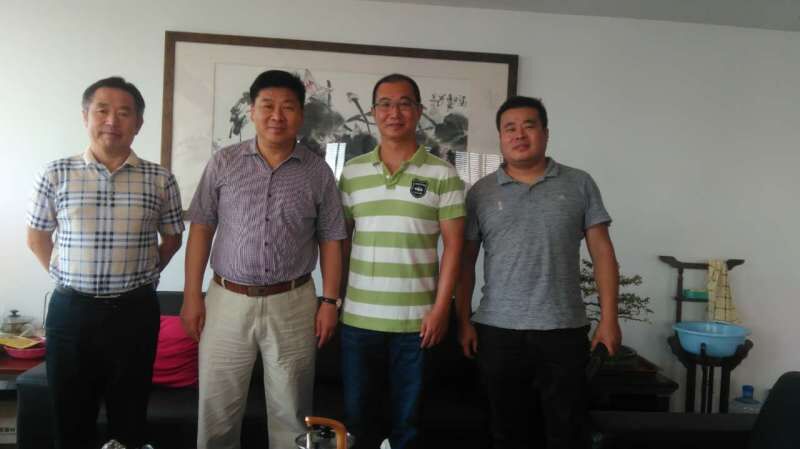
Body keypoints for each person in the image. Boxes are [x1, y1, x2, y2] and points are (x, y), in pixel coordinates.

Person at [181, 69, 346, 449]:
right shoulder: (224, 163)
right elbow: (202, 227)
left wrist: (330, 301)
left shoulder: (318, 172)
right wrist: (191, 296)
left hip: (293, 302)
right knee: (217, 410)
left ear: (300, 115)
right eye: (267, 106)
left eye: (288, 107)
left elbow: (331, 238)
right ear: (252, 111)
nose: (277, 116)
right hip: (226, 300)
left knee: (292, 412)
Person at [26, 76, 184, 449]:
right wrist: (69, 278)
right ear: (86, 116)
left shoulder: (160, 179)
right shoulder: (56, 173)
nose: (112, 120)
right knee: (70, 418)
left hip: (134, 312)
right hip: (71, 312)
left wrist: (140, 277)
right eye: (102, 110)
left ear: (138, 123)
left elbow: (173, 239)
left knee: (129, 419)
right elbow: (36, 238)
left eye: (124, 113)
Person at [455, 96, 622, 449]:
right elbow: (465, 263)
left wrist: (610, 319)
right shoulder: (481, 192)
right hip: (497, 331)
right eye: (510, 128)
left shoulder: (579, 183)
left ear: (545, 133)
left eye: (528, 126)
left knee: (566, 431)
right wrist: (463, 321)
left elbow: (603, 254)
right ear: (501, 138)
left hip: (563, 329)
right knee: (506, 431)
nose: (519, 135)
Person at [338, 74, 465, 449]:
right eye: (385, 104)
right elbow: (339, 244)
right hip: (358, 321)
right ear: (373, 112)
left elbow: (454, 247)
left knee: (408, 426)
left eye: (404, 103)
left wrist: (441, 309)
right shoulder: (352, 173)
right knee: (358, 421)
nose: (394, 112)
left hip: (417, 324)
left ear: (419, 111)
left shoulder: (443, 173)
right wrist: (334, 299)